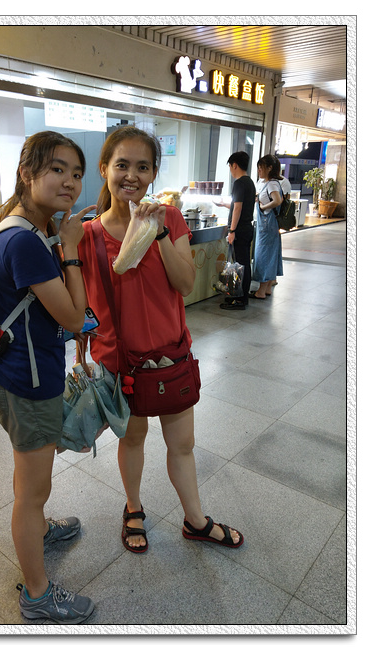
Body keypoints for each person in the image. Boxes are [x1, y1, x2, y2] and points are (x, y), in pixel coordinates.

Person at [78, 126, 244, 553]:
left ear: (153, 173)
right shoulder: (88, 235)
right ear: (104, 168)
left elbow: (185, 283)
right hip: (123, 363)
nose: (131, 175)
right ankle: (133, 508)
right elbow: (79, 306)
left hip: (171, 357)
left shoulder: (169, 219)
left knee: (182, 445)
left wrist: (160, 232)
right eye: (122, 165)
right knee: (132, 439)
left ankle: (195, 520)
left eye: (142, 167)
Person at [0, 131, 96, 623]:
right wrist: (71, 249)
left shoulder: (19, 226)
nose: (70, 182)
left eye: (76, 173)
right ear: (27, 173)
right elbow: (74, 317)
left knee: (29, 476)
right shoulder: (25, 240)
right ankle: (38, 595)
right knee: (32, 493)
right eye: (57, 169)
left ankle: (40, 529)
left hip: (15, 373)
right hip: (28, 382)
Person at [214, 151, 256, 310]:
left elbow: (238, 208)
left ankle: (240, 299)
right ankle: (241, 297)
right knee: (244, 264)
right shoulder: (249, 182)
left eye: (230, 166)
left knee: (240, 266)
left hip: (239, 230)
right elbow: (239, 206)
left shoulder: (239, 183)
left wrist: (232, 231)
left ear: (235, 165)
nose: (231, 170)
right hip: (247, 228)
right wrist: (224, 205)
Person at [251, 154, 284, 300]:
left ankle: (261, 291)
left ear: (269, 168)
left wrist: (263, 207)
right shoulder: (270, 183)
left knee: (263, 255)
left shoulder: (271, 184)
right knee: (270, 254)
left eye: (261, 167)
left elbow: (277, 201)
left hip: (267, 224)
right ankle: (267, 288)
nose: (259, 170)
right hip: (270, 224)